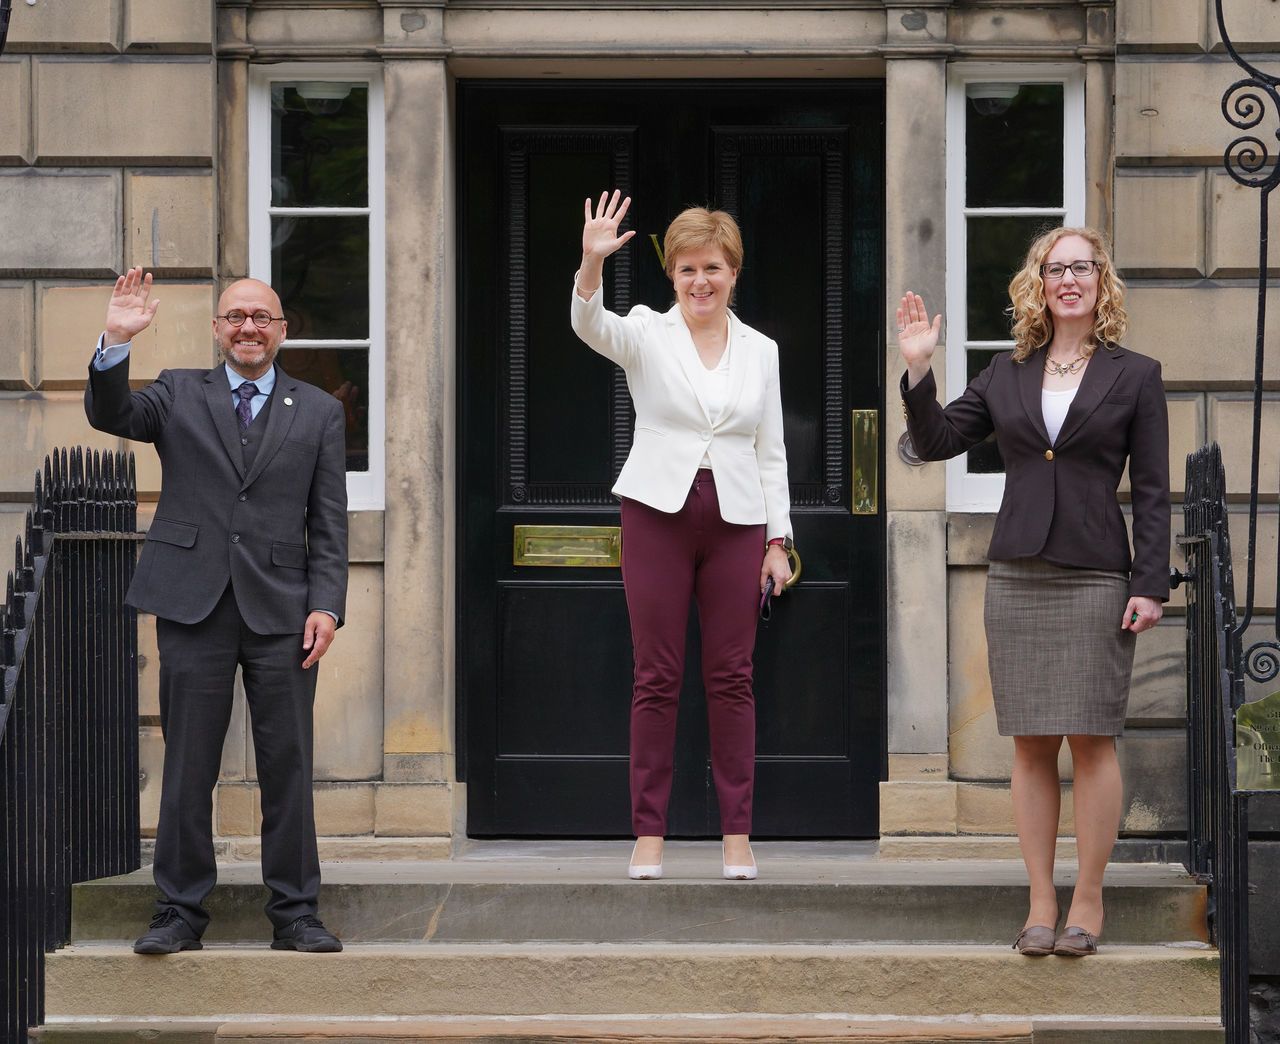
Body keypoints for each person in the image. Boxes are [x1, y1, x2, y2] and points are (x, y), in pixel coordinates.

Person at [897, 226, 1169, 957]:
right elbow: (936, 442)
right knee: (1030, 744)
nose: (1069, 279)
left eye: (1082, 267)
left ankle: (1088, 897)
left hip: (1094, 573)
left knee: (1091, 739)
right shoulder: (1006, 371)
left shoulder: (1136, 374)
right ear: (1039, 283)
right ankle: (1041, 901)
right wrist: (919, 372)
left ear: (1100, 280)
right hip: (1018, 571)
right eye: (1057, 269)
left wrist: (1151, 583)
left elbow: (1150, 491)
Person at [85, 268, 349, 954]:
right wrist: (116, 338)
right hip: (192, 602)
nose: (248, 327)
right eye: (235, 316)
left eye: (262, 316)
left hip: (283, 610)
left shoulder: (318, 411)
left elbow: (329, 522)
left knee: (286, 764)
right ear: (217, 328)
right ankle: (178, 912)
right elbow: (112, 415)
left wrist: (327, 605)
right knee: (189, 765)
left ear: (282, 330)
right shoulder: (178, 391)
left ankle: (295, 914)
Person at [570, 191, 793, 881]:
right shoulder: (645, 331)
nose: (702, 281)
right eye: (689, 268)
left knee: (732, 678)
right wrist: (590, 263)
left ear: (734, 273)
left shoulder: (761, 351)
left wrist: (778, 540)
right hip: (656, 514)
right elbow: (588, 325)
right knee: (656, 675)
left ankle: (736, 835)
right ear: (672, 275)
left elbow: (772, 449)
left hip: (737, 520)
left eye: (714, 268)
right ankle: (648, 835)